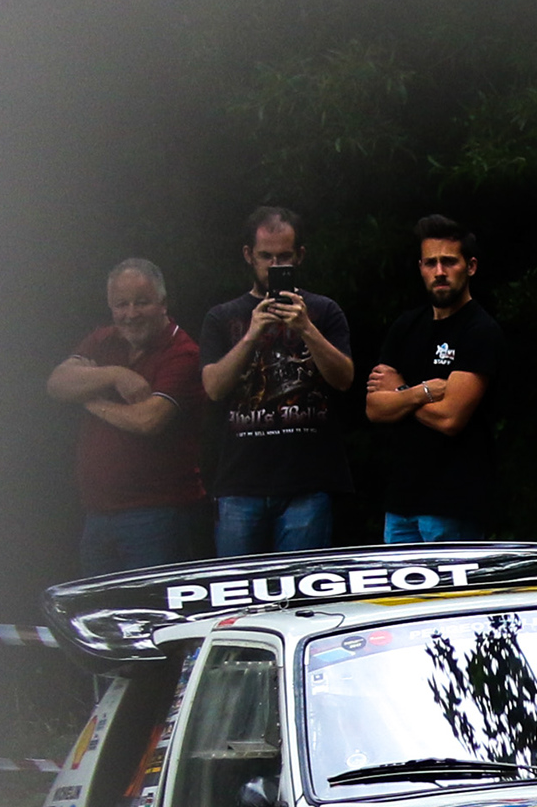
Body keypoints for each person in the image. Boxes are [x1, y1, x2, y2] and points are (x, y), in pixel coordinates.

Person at [196, 205, 355, 555]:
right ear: (248, 255)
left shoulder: (324, 311)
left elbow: (344, 379)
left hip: (307, 483)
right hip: (240, 483)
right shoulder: (222, 317)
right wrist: (252, 334)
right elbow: (213, 387)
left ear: (299, 256)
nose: (275, 266)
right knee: (239, 598)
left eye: (284, 257)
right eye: (266, 256)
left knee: (303, 597)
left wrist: (306, 329)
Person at [44, 255, 205, 573]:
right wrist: (114, 375)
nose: (130, 314)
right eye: (121, 305)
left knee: (151, 614)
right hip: (97, 515)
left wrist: (89, 399)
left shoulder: (183, 352)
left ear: (163, 303)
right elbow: (56, 383)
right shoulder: (103, 340)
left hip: (158, 516)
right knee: (100, 617)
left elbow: (148, 420)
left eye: (141, 303)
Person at [359, 215, 504, 541]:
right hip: (401, 502)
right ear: (421, 267)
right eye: (430, 263)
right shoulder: (406, 326)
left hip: (454, 503)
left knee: (451, 595)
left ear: (471, 266)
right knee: (402, 594)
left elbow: (450, 417)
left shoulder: (480, 330)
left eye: (449, 262)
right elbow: (374, 408)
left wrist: (398, 391)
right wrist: (421, 392)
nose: (439, 271)